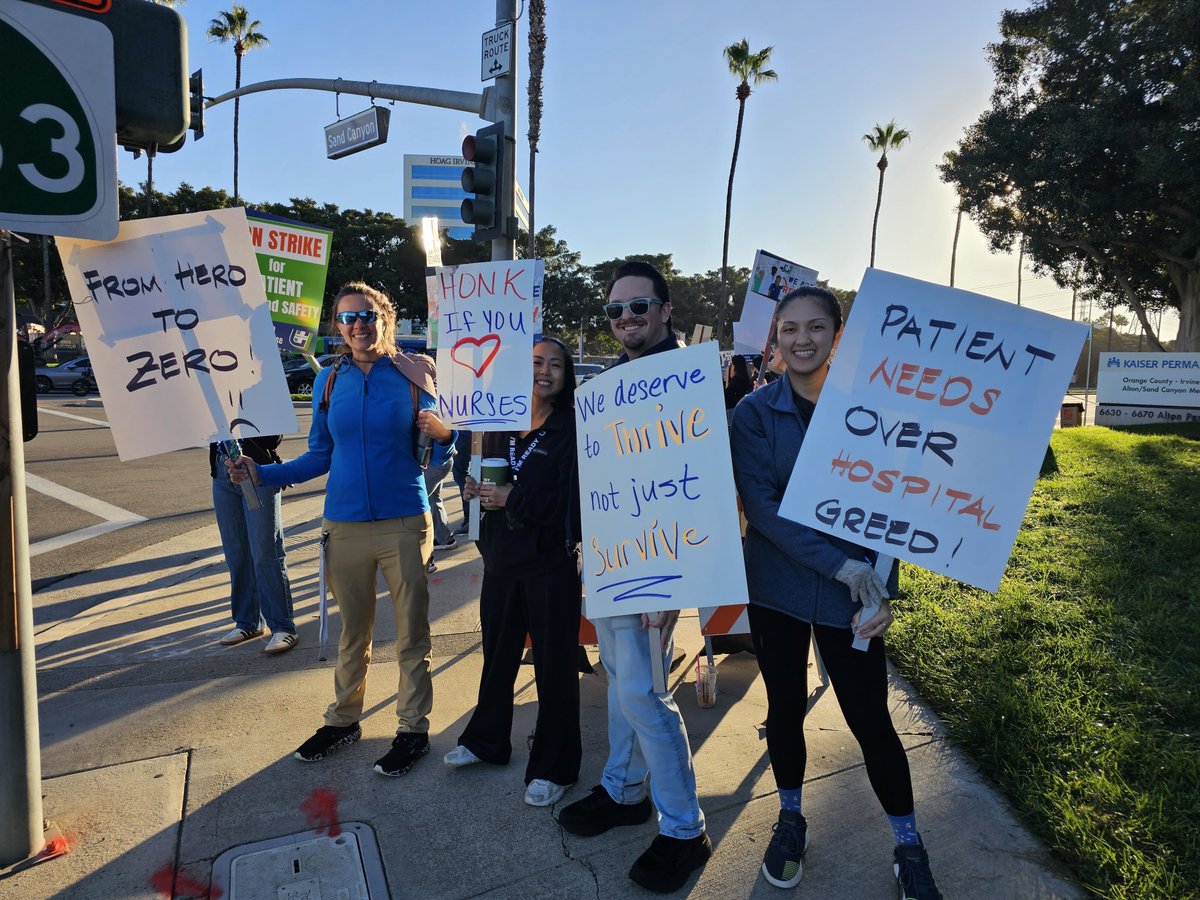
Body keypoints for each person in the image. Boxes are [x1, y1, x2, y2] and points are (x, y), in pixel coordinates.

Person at [729, 286, 942, 898]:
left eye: (815, 327)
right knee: (786, 710)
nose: (802, 339)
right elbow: (764, 510)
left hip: (855, 599)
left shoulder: (873, 413)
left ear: (837, 336)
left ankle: (908, 844)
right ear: (774, 336)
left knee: (871, 720)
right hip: (777, 593)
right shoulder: (753, 414)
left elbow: (895, 506)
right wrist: (844, 567)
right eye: (789, 328)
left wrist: (882, 590)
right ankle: (790, 817)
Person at [228, 282, 455, 777]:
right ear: (338, 327)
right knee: (354, 632)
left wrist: (446, 438)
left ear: (385, 319)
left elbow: (435, 453)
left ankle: (413, 729)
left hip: (403, 522)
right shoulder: (329, 382)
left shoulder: (416, 373)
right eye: (349, 318)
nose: (359, 325)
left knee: (412, 633)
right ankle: (343, 720)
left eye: (368, 316)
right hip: (345, 525)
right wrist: (261, 473)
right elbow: (319, 456)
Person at [558, 261, 711, 894]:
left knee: (647, 698)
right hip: (611, 560)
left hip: (657, 567)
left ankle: (684, 829)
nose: (625, 319)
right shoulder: (614, 382)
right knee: (623, 684)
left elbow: (698, 485)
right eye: (615, 311)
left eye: (638, 308)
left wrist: (676, 587)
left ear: (666, 309)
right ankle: (624, 791)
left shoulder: (687, 380)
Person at [443, 336, 583, 808]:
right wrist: (473, 489)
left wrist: (513, 498)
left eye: (555, 365)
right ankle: (486, 741)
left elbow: (573, 504)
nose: (543, 372)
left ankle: (555, 766)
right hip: (501, 561)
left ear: (566, 377)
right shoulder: (497, 424)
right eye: (535, 363)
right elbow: (488, 481)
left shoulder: (572, 427)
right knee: (497, 658)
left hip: (550, 566)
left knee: (554, 667)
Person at [211, 435, 298, 654]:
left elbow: (273, 437)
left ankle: (282, 626)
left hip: (257, 468)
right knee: (236, 552)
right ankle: (248, 622)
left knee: (265, 552)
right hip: (223, 470)